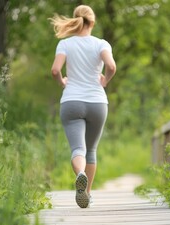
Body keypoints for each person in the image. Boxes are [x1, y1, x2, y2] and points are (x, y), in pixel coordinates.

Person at [49, 5, 116, 208]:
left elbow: (54, 70)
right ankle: (87, 193)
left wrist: (62, 82)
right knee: (91, 151)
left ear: (75, 20)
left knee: (78, 148)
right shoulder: (101, 44)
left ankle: (79, 174)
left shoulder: (65, 44)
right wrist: (105, 81)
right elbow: (111, 67)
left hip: (71, 102)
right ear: (92, 22)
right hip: (97, 102)